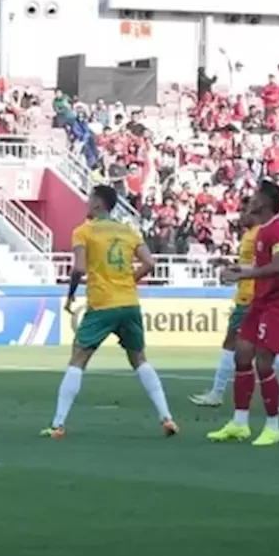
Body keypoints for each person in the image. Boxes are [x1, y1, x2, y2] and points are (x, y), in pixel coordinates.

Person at [43, 185, 176, 439]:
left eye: (90, 198)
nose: (86, 203)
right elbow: (150, 262)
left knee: (78, 358)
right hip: (129, 303)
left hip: (103, 304)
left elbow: (79, 268)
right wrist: (128, 279)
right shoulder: (128, 230)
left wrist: (70, 294)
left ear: (98, 204)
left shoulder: (84, 231)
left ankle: (58, 424)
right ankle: (167, 418)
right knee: (139, 359)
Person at [210, 180, 279, 446]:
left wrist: (247, 273)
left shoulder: (278, 230)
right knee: (242, 355)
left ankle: (273, 427)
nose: (252, 198)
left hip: (278, 303)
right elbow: (262, 267)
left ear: (267, 202)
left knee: (263, 361)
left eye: (257, 195)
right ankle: (240, 423)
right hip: (260, 301)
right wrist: (241, 271)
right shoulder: (262, 231)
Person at [191, 204, 258, 407]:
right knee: (265, 350)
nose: (240, 216)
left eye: (244, 211)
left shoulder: (255, 236)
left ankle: (217, 393)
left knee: (232, 344)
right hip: (248, 295)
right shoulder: (252, 234)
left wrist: (236, 272)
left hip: (248, 297)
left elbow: (260, 266)